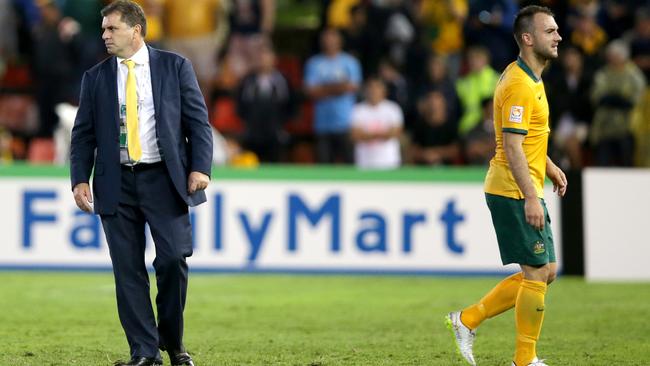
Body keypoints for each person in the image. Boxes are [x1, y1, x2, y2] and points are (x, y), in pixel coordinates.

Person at [69, 1, 212, 365]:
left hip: (165, 179)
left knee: (173, 259)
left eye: (111, 28)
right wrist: (78, 180)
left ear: (136, 30)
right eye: (103, 29)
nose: (104, 35)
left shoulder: (175, 66)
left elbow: (198, 123)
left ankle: (173, 342)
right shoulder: (95, 77)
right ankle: (144, 352)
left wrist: (200, 168)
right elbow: (82, 135)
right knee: (128, 270)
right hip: (116, 183)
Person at [445, 6, 567, 366]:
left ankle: (467, 319)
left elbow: (527, 138)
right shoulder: (517, 84)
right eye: (550, 31)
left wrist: (548, 165)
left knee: (546, 272)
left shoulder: (531, 78)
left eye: (557, 29)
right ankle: (524, 360)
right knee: (534, 272)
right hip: (513, 188)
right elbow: (511, 146)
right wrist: (531, 195)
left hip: (526, 184)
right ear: (528, 39)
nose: (559, 36)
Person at [304, 27, 362, 164]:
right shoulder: (314, 63)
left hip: (346, 123)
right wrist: (339, 87)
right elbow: (311, 91)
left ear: (340, 41)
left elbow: (352, 87)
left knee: (349, 164)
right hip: (322, 124)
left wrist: (324, 89)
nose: (329, 42)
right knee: (323, 165)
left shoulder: (350, 62)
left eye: (332, 39)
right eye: (326, 39)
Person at [350, 77, 403, 169]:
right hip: (364, 162)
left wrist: (367, 135)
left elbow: (396, 133)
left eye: (377, 87)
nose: (373, 91)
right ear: (365, 90)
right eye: (370, 88)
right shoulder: (357, 110)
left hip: (389, 162)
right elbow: (355, 135)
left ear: (384, 90)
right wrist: (383, 134)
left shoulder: (393, 109)